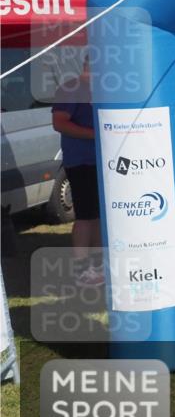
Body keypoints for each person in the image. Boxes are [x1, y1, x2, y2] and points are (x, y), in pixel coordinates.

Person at [51, 60, 104, 287]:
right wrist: (95, 135)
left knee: (98, 216)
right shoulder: (71, 88)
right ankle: (82, 270)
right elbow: (59, 123)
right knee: (85, 216)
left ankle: (97, 266)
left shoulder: (102, 88)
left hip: (101, 162)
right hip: (81, 162)